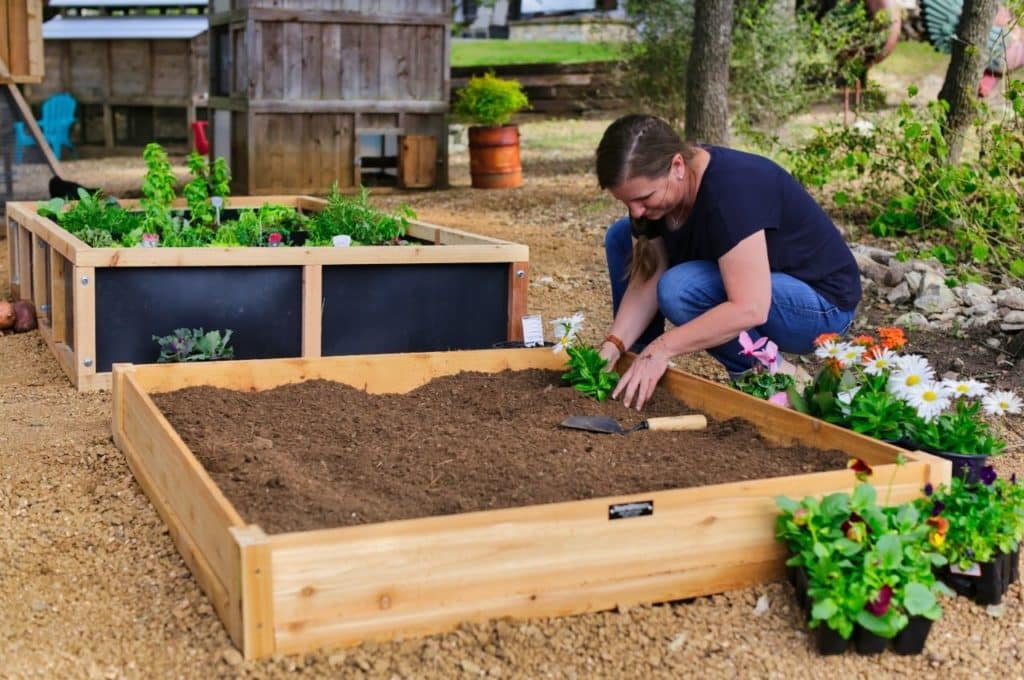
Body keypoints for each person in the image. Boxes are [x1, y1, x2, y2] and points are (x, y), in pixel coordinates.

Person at [595, 114, 861, 410]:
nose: (636, 211)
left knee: (681, 289)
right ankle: (636, 365)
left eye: (644, 198)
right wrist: (613, 345)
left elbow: (750, 307)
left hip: (819, 307)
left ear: (678, 167)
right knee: (622, 237)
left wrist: (663, 349)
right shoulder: (657, 197)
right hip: (767, 289)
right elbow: (648, 273)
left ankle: (772, 376)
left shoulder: (729, 192)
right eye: (627, 202)